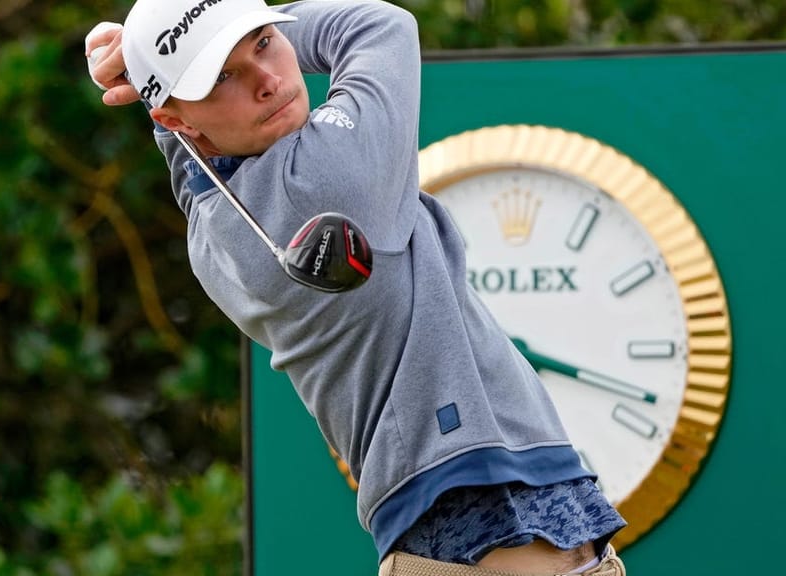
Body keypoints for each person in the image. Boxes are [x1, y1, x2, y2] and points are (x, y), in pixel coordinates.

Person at [84, 1, 628, 574]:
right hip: (484, 505)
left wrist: (159, 61)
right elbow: (381, 25)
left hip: (460, 515)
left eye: (265, 42)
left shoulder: (210, 222)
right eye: (224, 76)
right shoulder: (327, 176)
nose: (267, 82)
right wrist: (238, 25)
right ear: (178, 117)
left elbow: (185, 144)